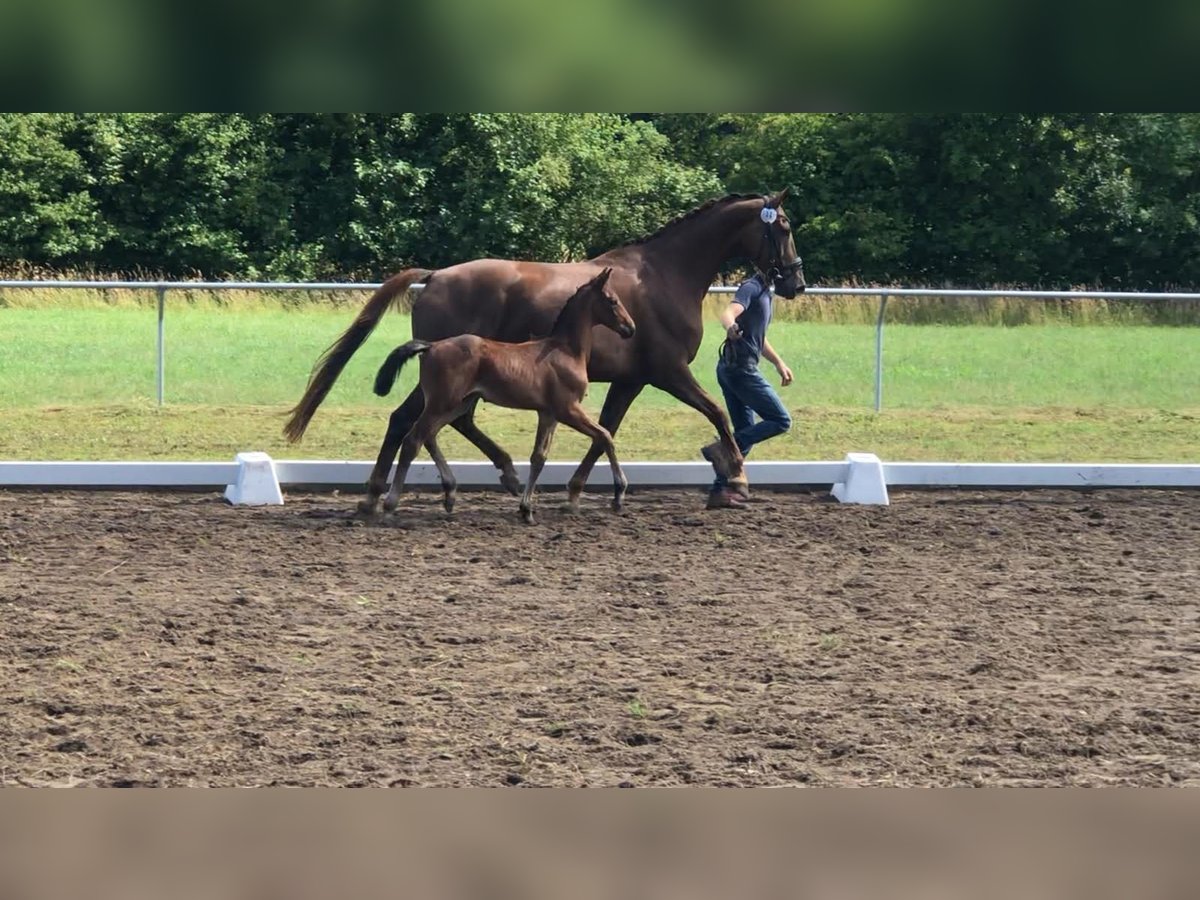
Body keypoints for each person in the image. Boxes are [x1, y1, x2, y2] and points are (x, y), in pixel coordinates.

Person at [700, 271, 794, 509]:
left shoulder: (765, 292)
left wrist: (778, 362)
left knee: (745, 432)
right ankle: (722, 449)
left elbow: (757, 338)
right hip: (741, 370)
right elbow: (728, 313)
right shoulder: (752, 287)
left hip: (731, 368)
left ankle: (719, 492)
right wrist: (731, 326)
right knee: (781, 420)